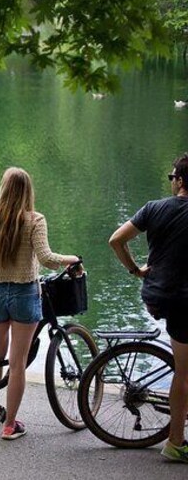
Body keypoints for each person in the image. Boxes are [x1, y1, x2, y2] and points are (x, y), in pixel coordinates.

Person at [0, 167, 79, 440]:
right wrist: (71, 259)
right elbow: (45, 257)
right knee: (17, 362)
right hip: (24, 294)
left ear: (3, 188)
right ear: (28, 191)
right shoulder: (35, 220)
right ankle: (10, 426)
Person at [108, 153, 188, 463]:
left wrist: (135, 270)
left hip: (156, 294)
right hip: (182, 300)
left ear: (180, 181)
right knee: (183, 375)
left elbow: (116, 240)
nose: (171, 182)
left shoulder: (154, 208)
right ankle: (175, 442)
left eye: (172, 177)